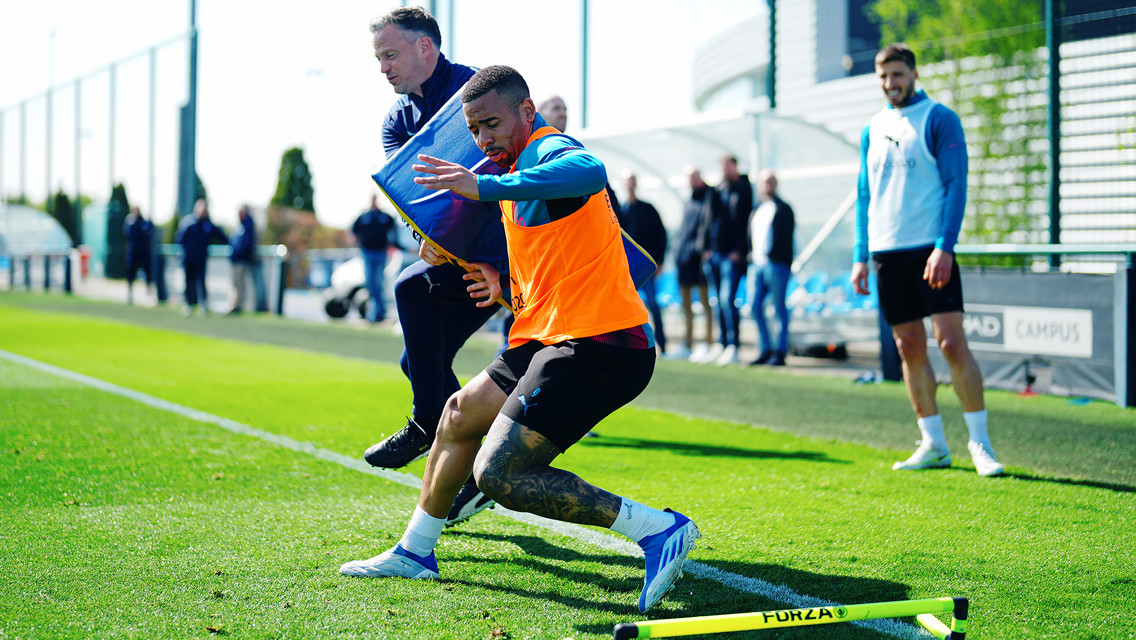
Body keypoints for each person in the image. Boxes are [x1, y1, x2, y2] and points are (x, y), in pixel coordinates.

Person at [340, 65, 699, 613]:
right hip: (547, 335)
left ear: (527, 112)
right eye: (474, 129)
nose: (483, 139)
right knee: (457, 415)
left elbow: (589, 171)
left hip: (602, 342)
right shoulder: (511, 175)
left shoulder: (548, 148)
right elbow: (557, 260)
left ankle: (658, 529)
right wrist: (502, 281)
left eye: (492, 124)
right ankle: (415, 551)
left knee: (499, 475)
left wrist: (482, 185)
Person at [363, 7, 501, 525]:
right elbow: (411, 198)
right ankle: (475, 474)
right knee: (419, 363)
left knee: (409, 289)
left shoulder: (477, 91)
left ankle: (427, 425)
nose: (383, 68)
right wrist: (426, 238)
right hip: (461, 260)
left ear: (426, 47)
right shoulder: (396, 120)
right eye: (378, 58)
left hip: (510, 258)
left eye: (389, 55)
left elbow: (511, 167)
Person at [851, 43, 1003, 477]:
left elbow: (957, 184)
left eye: (897, 74)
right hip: (886, 252)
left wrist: (945, 246)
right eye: (883, 76)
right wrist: (861, 255)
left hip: (930, 249)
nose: (890, 83)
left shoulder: (939, 118)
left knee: (951, 343)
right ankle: (933, 444)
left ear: (914, 74)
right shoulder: (872, 127)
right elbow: (864, 194)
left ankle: (980, 444)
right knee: (908, 346)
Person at [701, 155, 752, 366]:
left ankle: (734, 345)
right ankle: (721, 344)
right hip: (714, 255)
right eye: (723, 166)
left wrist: (740, 250)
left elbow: (746, 222)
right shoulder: (716, 191)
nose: (726, 170)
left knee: (726, 300)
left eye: (729, 166)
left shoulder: (745, 189)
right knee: (716, 302)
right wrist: (705, 248)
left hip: (732, 256)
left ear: (736, 167)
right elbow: (707, 219)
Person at [749, 169, 795, 366]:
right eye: (763, 182)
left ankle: (780, 351)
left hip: (776, 265)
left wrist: (782, 260)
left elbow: (786, 238)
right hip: (756, 265)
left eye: (770, 181)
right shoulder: (757, 209)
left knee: (778, 308)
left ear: (775, 184)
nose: (766, 185)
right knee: (754, 306)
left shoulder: (783, 209)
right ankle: (765, 348)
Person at [622, 171, 668, 356]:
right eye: (628, 181)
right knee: (626, 308)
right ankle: (628, 345)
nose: (630, 184)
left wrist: (660, 261)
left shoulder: (648, 209)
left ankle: (662, 344)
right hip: (626, 269)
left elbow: (660, 234)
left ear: (636, 183)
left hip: (646, 268)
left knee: (653, 305)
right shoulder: (621, 210)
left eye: (633, 181)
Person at [673, 166, 716, 361]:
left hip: (700, 260)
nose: (692, 180)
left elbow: (708, 225)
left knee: (705, 303)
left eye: (695, 176)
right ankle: (687, 343)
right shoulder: (689, 201)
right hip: (684, 259)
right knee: (686, 305)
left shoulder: (710, 197)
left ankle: (708, 342)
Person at [176, 199, 227, 317]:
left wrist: (232, 243)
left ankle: (203, 304)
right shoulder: (188, 223)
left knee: (201, 282)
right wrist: (185, 252)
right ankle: (188, 304)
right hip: (189, 259)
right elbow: (180, 239)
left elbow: (221, 236)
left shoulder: (207, 225)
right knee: (189, 282)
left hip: (201, 259)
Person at [352, 195, 398, 322]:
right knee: (369, 282)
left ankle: (379, 312)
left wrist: (390, 245)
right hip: (367, 253)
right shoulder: (364, 217)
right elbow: (354, 230)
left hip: (381, 253)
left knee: (378, 282)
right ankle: (376, 309)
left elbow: (393, 231)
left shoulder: (384, 217)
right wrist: (358, 243)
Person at [227, 204, 259, 316]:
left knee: (239, 284)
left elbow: (247, 244)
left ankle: (237, 306)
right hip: (236, 259)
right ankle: (234, 304)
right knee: (235, 283)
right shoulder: (240, 226)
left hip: (241, 260)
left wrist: (240, 254)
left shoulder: (248, 226)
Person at [122, 206, 154, 306]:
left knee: (147, 273)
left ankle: (149, 294)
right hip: (133, 253)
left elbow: (148, 233)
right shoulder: (130, 222)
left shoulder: (144, 223)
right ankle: (130, 295)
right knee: (131, 274)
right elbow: (127, 233)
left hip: (143, 253)